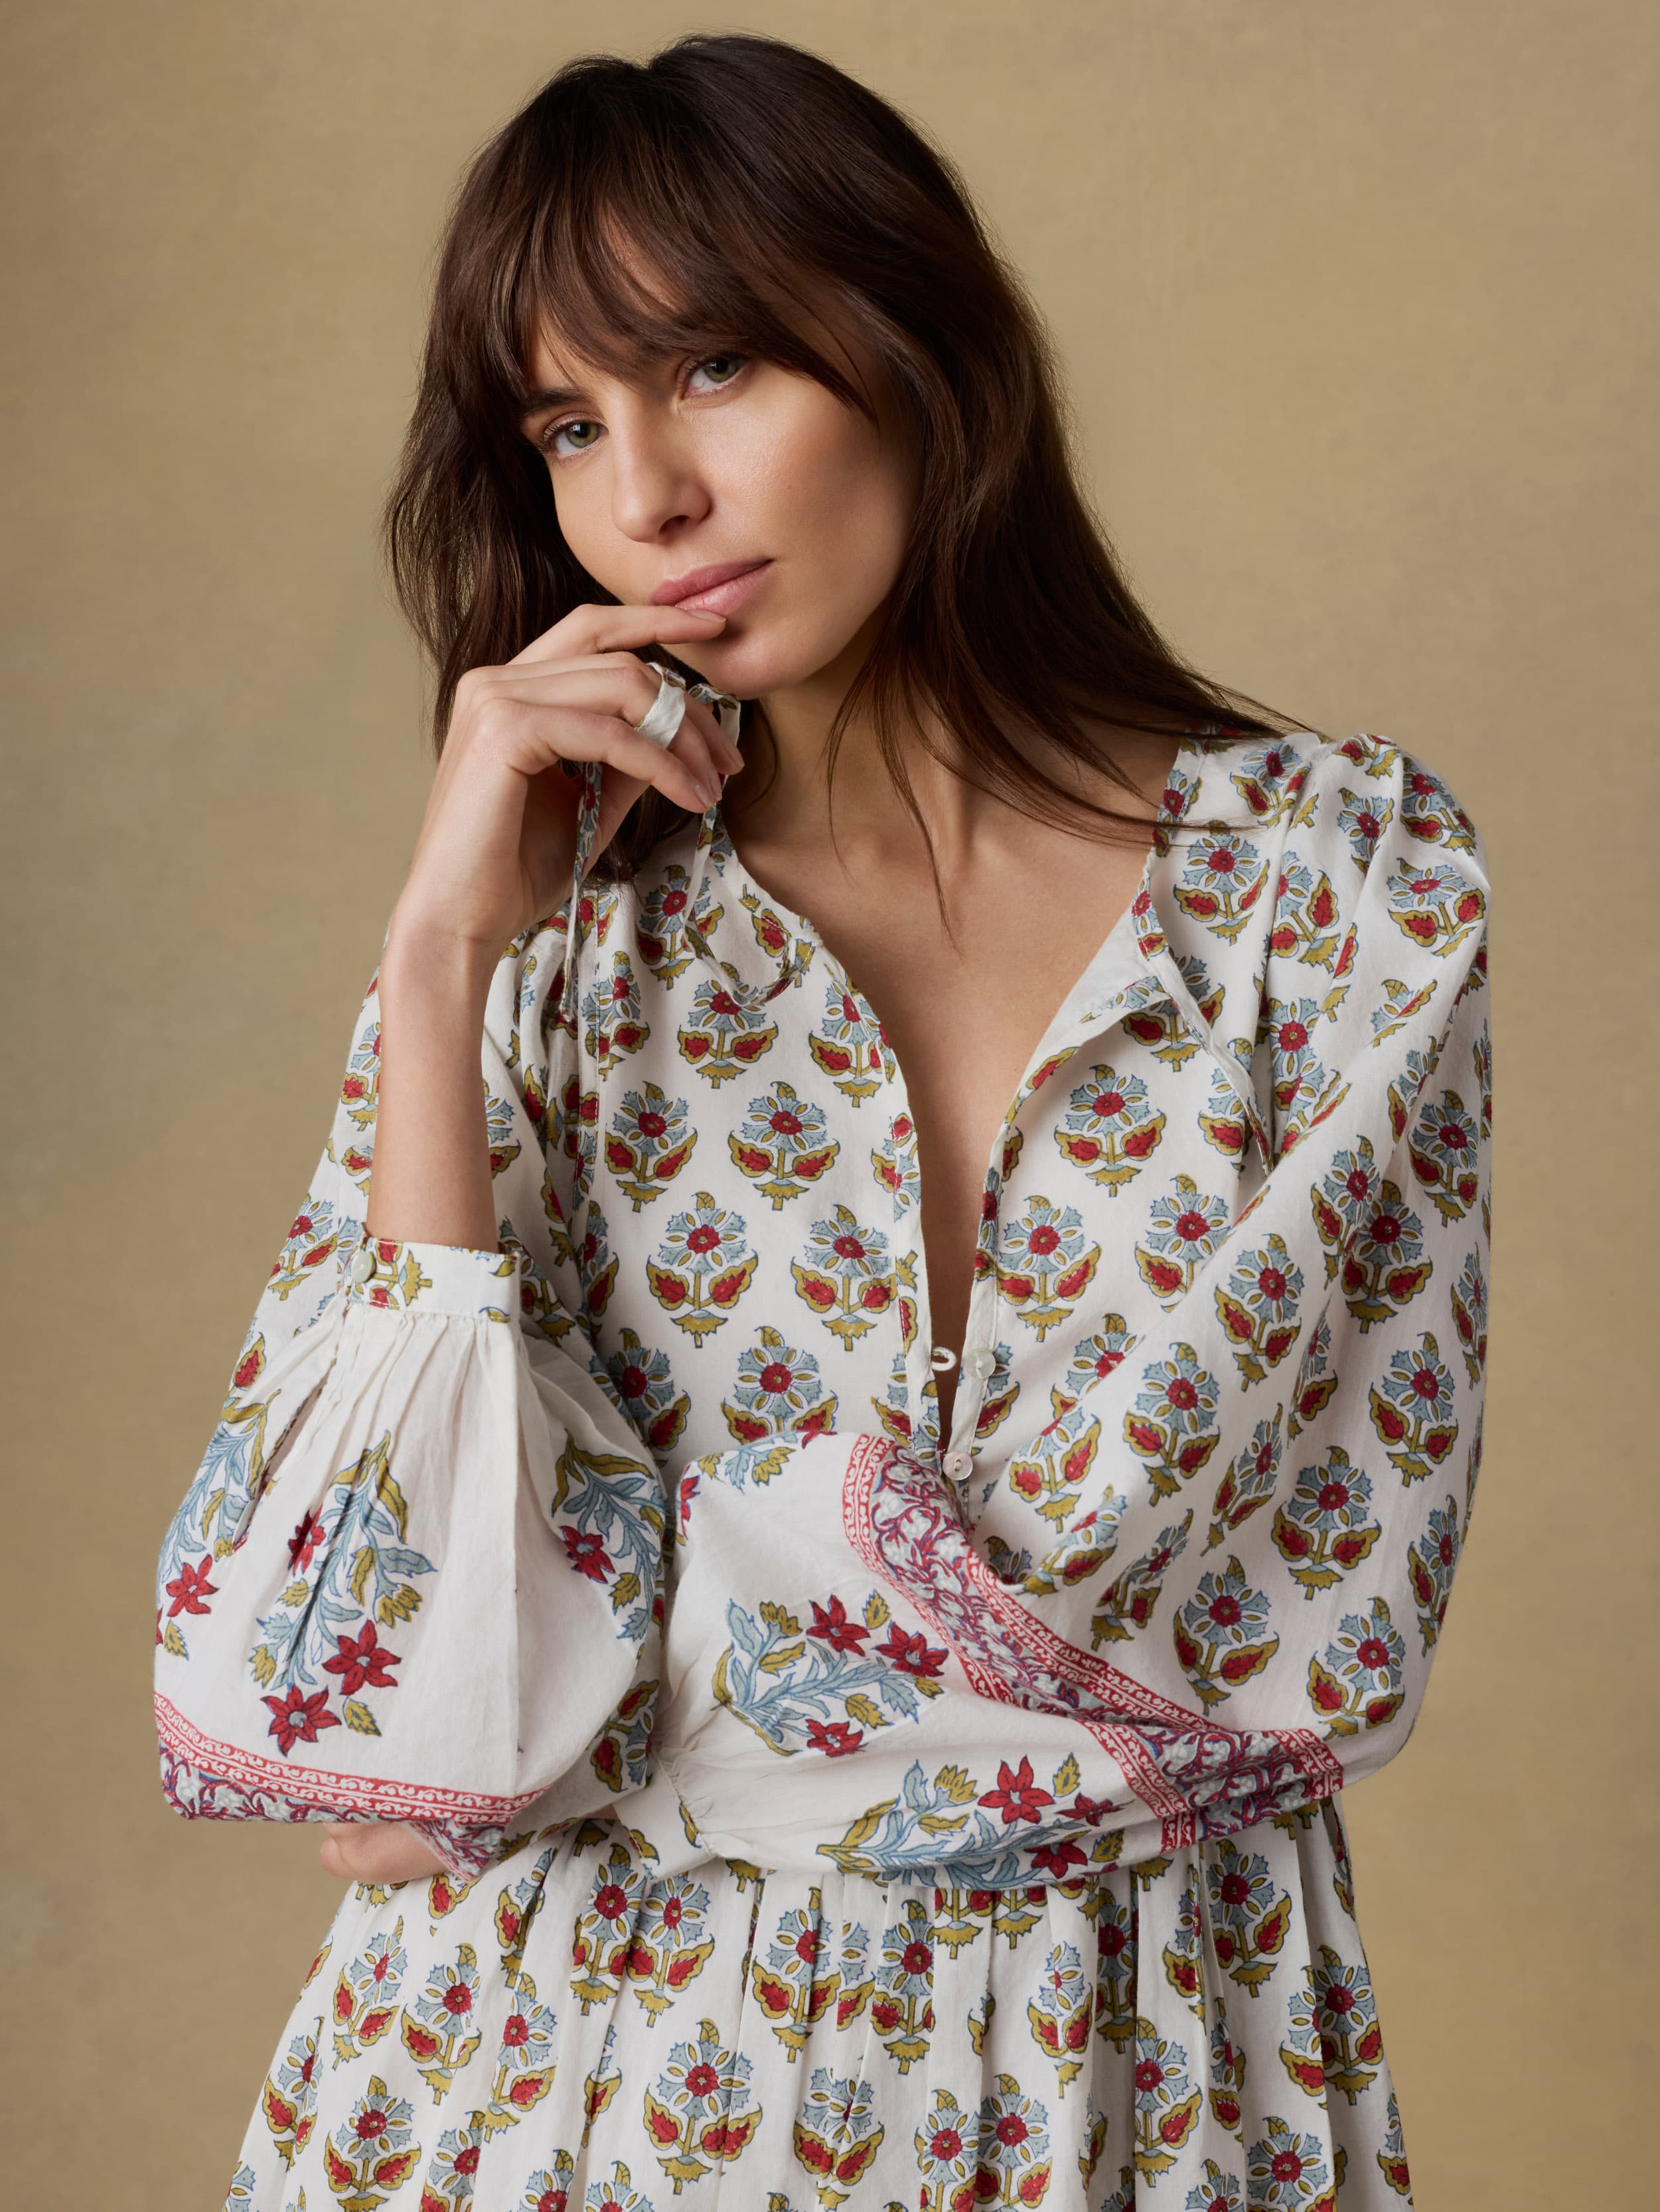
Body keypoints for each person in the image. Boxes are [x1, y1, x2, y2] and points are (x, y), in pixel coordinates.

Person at [155, 33, 1491, 2212]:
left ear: (920, 344)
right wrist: (430, 964)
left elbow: (1263, 1616)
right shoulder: (555, 953)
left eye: (714, 370)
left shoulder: (1341, 893)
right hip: (534, 2090)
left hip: (1138, 2082)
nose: (643, 497)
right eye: (572, 426)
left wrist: (558, 1694)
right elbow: (346, 1672)